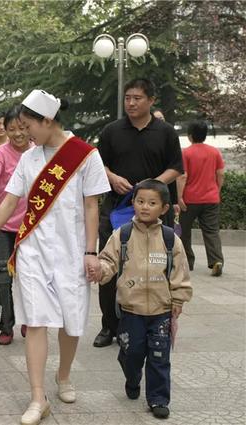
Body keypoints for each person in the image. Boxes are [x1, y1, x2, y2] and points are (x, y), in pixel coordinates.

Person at [0, 89, 110, 425]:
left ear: (48, 120)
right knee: (36, 321)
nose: (24, 133)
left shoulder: (85, 155)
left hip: (72, 251)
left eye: (28, 125)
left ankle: (63, 376)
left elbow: (92, 206)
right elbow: (8, 203)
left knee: (71, 321)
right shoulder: (30, 158)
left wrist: (91, 252)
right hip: (32, 250)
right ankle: (38, 398)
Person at [94, 78, 183, 348]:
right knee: (110, 267)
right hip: (117, 211)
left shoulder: (166, 132)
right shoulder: (112, 131)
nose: (131, 103)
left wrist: (151, 188)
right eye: (127, 98)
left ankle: (157, 323)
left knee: (156, 268)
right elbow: (98, 164)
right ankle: (109, 325)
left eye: (137, 98)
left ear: (150, 100)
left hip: (155, 214)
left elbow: (176, 167)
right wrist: (111, 177)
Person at [96, 179, 192, 420]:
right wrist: (101, 270)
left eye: (151, 203)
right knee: (133, 353)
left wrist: (178, 300)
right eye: (140, 201)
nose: (144, 207)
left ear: (164, 208)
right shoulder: (123, 235)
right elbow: (108, 260)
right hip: (131, 309)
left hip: (161, 310)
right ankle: (131, 375)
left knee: (160, 356)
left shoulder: (171, 239)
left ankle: (158, 398)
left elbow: (179, 273)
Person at [0, 106, 30, 345]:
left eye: (22, 128)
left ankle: (30, 321)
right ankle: (7, 325)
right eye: (11, 129)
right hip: (3, 224)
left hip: (31, 226)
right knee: (3, 274)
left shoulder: (37, 152)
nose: (17, 133)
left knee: (30, 275)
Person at [177, 120, 225, 276]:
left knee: (184, 232)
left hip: (190, 199)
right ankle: (216, 260)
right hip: (211, 198)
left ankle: (187, 262)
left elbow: (183, 176)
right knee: (211, 231)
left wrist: (179, 197)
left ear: (190, 136)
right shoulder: (214, 152)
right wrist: (217, 190)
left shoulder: (186, 153)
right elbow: (220, 174)